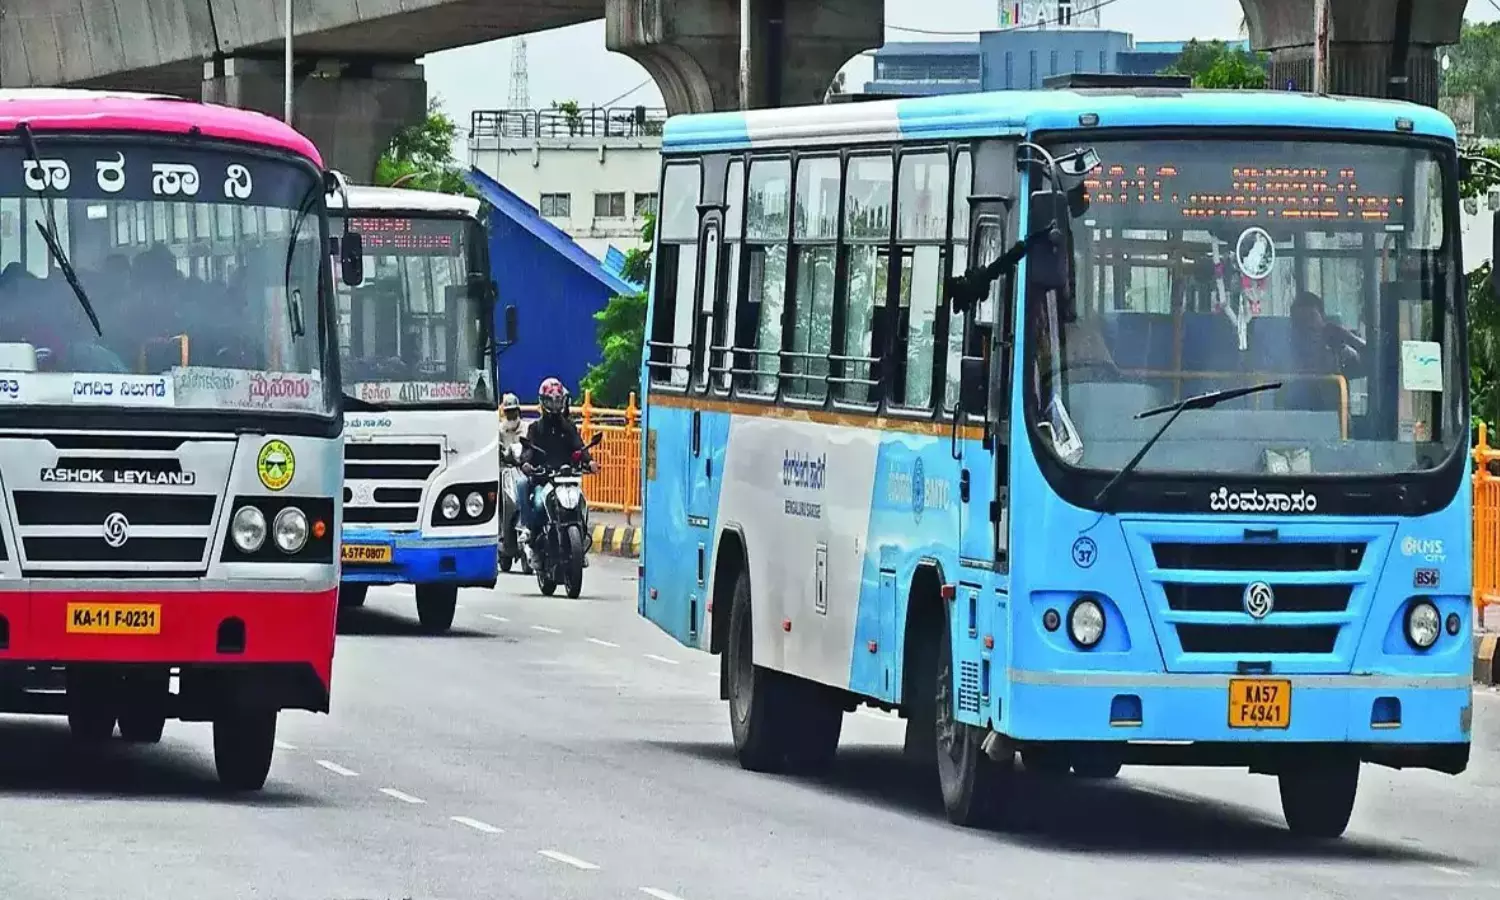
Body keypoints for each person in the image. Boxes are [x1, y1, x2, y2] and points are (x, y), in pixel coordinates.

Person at [517, 378, 597, 568]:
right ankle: (533, 541)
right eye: (550, 401)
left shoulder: (568, 427)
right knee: (537, 504)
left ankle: (580, 543)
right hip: (544, 479)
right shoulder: (535, 428)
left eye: (558, 400)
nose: (554, 405)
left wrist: (590, 461)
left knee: (581, 503)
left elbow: (579, 446)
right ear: (543, 401)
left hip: (566, 478)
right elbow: (528, 451)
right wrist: (526, 463)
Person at [1283, 290, 1365, 413]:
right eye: (1300, 321)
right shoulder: (1284, 357)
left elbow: (1373, 364)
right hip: (1296, 421)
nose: (1308, 325)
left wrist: (1347, 337)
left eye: (1311, 317)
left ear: (1323, 320)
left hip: (1337, 423)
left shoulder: (1339, 353)